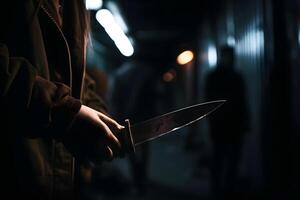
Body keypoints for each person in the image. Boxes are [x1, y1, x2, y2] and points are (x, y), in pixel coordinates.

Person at [0, 1, 125, 199]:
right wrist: (65, 111)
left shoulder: (74, 5)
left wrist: (96, 113)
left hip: (54, 181)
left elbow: (73, 76)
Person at [205, 45, 249, 200]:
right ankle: (216, 190)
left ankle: (228, 190)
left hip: (235, 124)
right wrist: (211, 122)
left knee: (233, 160)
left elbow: (243, 101)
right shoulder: (214, 77)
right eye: (226, 56)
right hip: (219, 125)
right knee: (218, 158)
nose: (229, 59)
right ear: (221, 57)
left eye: (230, 56)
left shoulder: (236, 77)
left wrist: (245, 123)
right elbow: (208, 102)